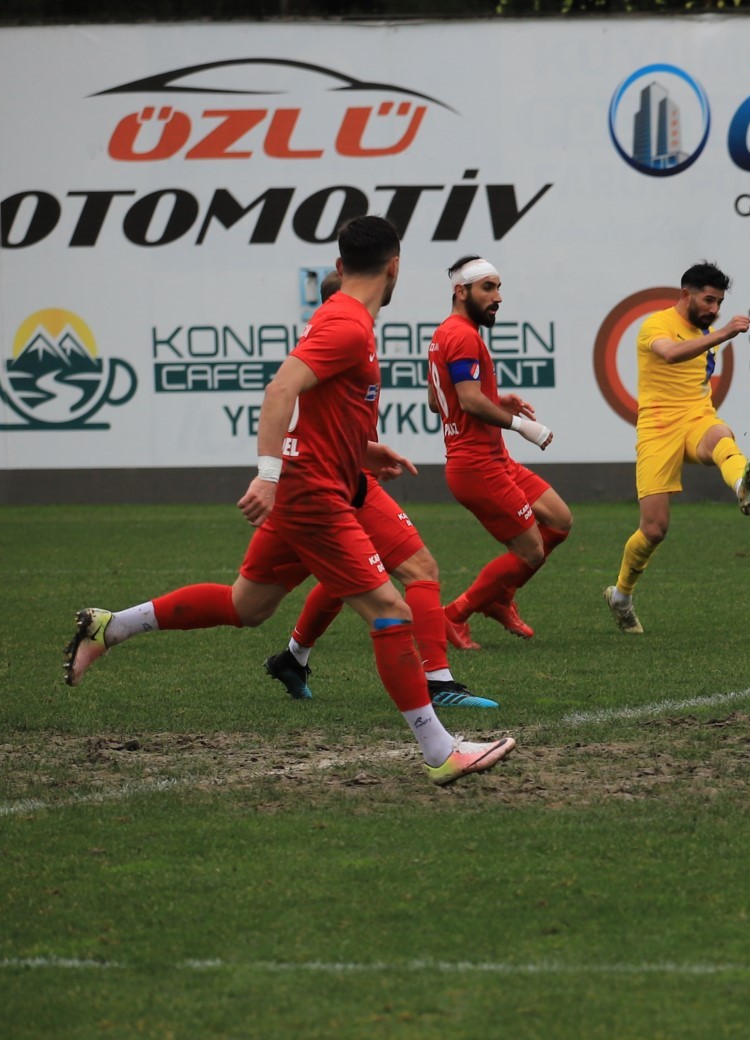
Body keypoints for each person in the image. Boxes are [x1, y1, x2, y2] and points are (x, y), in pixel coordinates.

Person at [64, 215, 515, 785]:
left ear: (339, 266)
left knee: (247, 605)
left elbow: (325, 406)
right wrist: (267, 476)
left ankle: (112, 626)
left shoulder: (346, 319)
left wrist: (362, 450)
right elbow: (281, 389)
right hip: (314, 494)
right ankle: (439, 751)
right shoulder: (348, 324)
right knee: (391, 612)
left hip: (327, 479)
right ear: (395, 265)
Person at [264, 265, 498, 710]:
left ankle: (293, 657)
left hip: (341, 476)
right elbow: (291, 400)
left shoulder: (350, 337)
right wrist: (269, 473)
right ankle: (436, 682)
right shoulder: (343, 335)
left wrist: (370, 451)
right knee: (419, 569)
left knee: (335, 579)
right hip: (334, 481)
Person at [604, 261, 750, 634]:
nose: (714, 309)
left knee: (721, 437)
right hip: (658, 427)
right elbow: (671, 354)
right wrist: (724, 332)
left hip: (696, 416)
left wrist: (716, 330)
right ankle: (621, 597)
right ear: (686, 294)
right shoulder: (655, 325)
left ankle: (743, 484)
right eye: (708, 300)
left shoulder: (705, 329)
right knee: (655, 528)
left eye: (719, 303)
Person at [427, 255, 571, 646]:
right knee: (530, 552)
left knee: (559, 520)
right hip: (476, 466)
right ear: (461, 292)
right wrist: (525, 426)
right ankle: (455, 614)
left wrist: (494, 398)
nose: (498, 297)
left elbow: (436, 401)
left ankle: (499, 597)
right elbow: (469, 402)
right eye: (488, 288)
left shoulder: (445, 333)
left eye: (498, 287)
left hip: (493, 459)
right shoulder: (461, 336)